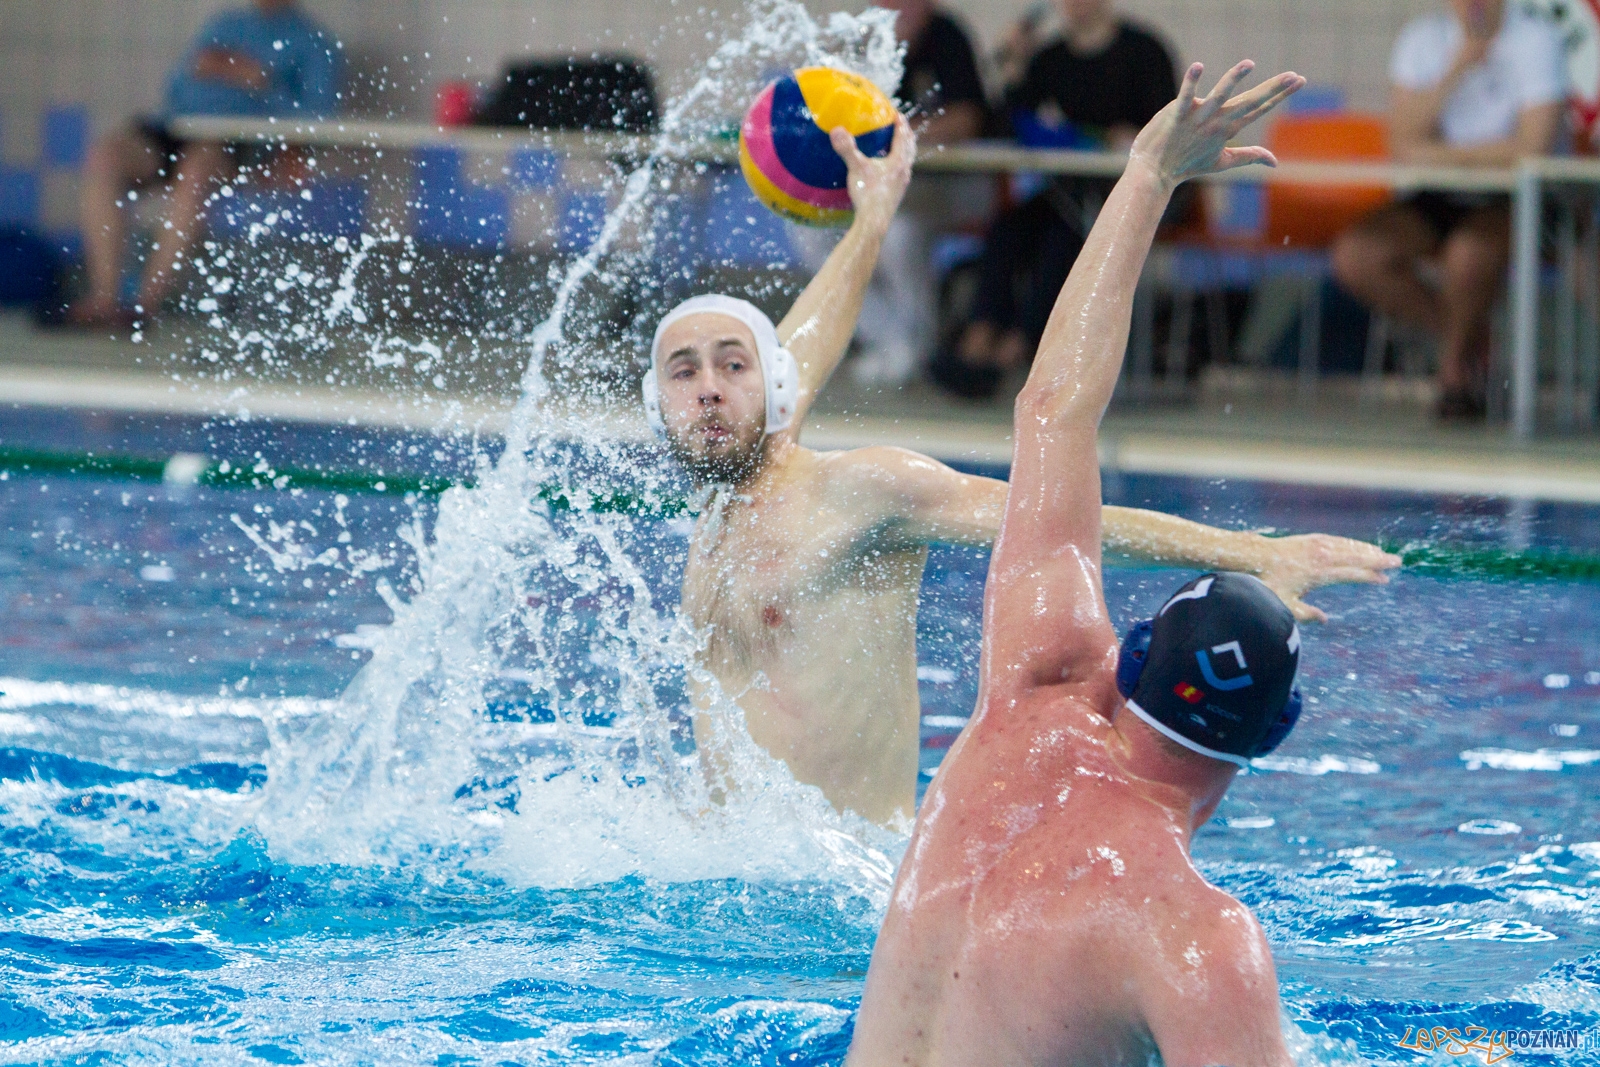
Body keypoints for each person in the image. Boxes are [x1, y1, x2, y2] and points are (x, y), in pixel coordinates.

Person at [646, 108, 1397, 829]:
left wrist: (1257, 553)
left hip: (850, 908)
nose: (710, 385)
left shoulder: (855, 493)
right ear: (660, 408)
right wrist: (871, 220)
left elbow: (1060, 519)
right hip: (735, 887)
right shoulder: (723, 501)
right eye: (685, 372)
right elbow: (802, 342)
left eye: (733, 363)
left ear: (771, 388)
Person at [846, 61, 1312, 1066]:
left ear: (1126, 660)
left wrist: (1146, 173)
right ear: (1272, 733)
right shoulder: (1196, 938)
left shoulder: (1033, 688)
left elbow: (1052, 408)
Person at [1332, 0, 1565, 422]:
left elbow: (1533, 149)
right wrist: (1457, 70)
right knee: (1357, 256)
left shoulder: (1536, 39)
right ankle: (1467, 339)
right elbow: (1401, 144)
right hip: (1439, 195)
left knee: (1469, 253)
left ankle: (1454, 376)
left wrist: (1439, 155)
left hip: (1512, 196)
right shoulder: (1422, 40)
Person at [934, 0, 1178, 399]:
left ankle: (1017, 347)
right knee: (1008, 229)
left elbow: (1171, 127)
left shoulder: (1144, 52)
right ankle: (979, 336)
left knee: (1064, 240)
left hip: (1122, 197)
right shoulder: (1050, 59)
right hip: (1067, 191)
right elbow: (1007, 123)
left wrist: (1132, 137)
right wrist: (1013, 67)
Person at [66, 0, 340, 329]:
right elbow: (177, 87)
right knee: (106, 156)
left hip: (238, 138)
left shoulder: (314, 42)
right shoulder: (223, 25)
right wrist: (210, 70)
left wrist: (261, 82)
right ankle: (104, 297)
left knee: (196, 170)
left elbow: (318, 116)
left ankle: (145, 305)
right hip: (180, 126)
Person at [791, 0, 989, 386]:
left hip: (948, 186)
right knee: (811, 232)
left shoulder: (947, 38)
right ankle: (892, 341)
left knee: (898, 233)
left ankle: (919, 344)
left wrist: (896, 132)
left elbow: (967, 119)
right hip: (883, 187)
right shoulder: (864, 43)